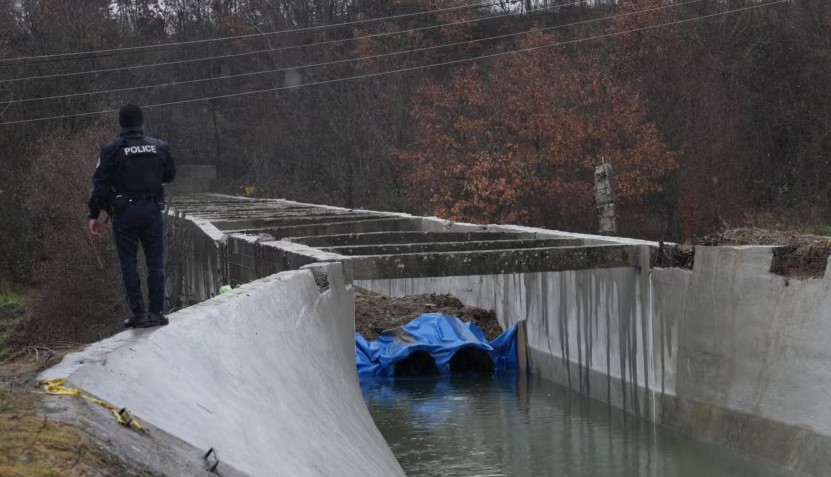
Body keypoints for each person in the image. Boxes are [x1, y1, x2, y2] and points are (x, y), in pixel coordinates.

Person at [87, 104, 176, 328]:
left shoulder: (111, 149)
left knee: (128, 263)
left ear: (121, 123)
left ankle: (138, 313)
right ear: (141, 121)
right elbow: (170, 174)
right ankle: (156, 313)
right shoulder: (159, 147)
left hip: (124, 212)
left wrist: (94, 214)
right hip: (152, 210)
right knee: (155, 263)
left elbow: (100, 184)